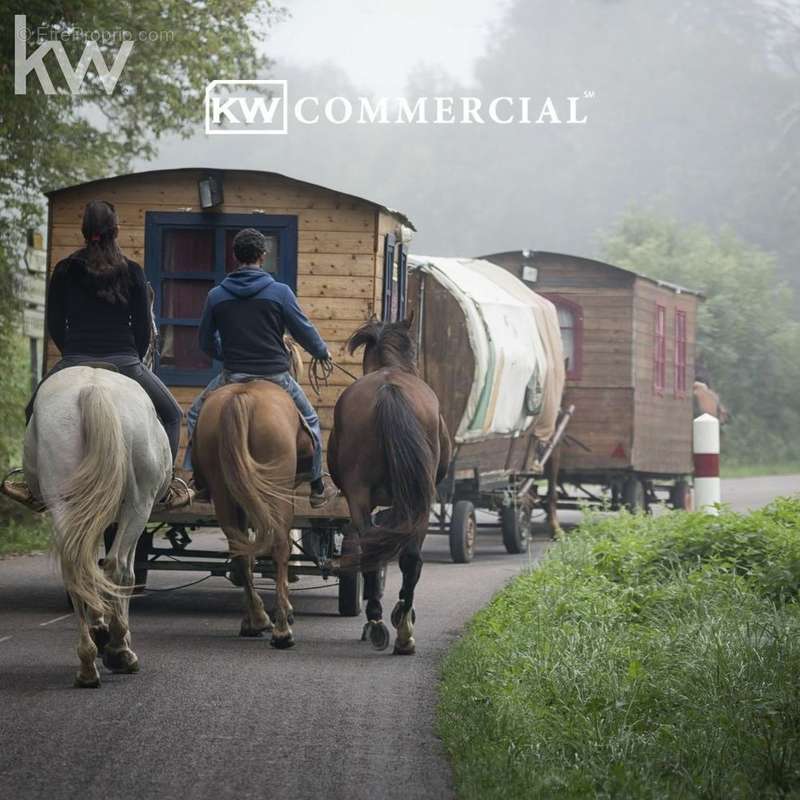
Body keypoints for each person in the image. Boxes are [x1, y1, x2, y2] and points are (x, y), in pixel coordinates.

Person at [2, 200, 191, 511]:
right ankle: (166, 485)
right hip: (126, 361)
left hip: (74, 358)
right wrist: (132, 355)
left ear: (84, 231)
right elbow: (144, 328)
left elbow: (54, 324)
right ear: (116, 231)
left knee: (33, 409)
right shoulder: (132, 271)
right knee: (172, 414)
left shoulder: (64, 269)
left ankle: (33, 485)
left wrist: (71, 357)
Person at [184, 227, 335, 508]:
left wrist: (225, 353)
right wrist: (321, 351)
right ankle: (316, 485)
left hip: (232, 375)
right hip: (276, 377)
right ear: (262, 256)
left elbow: (204, 342)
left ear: (235, 257)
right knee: (311, 421)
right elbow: (302, 330)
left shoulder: (216, 295)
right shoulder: (280, 292)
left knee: (194, 415)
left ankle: (200, 481)